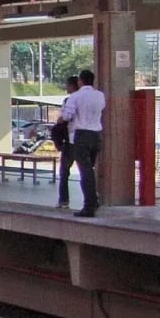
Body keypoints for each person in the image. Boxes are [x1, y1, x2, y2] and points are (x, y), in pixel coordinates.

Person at [58, 69, 105, 217]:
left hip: (81, 135)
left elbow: (67, 116)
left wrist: (62, 119)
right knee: (90, 168)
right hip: (96, 135)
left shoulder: (75, 97)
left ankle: (89, 205)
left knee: (85, 171)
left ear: (80, 81)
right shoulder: (100, 95)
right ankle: (94, 199)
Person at [53, 76, 80, 209]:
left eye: (68, 85)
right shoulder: (94, 97)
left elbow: (65, 118)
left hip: (71, 140)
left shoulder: (69, 100)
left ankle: (63, 200)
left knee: (64, 171)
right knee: (86, 171)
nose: (66, 88)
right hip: (87, 138)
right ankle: (92, 199)